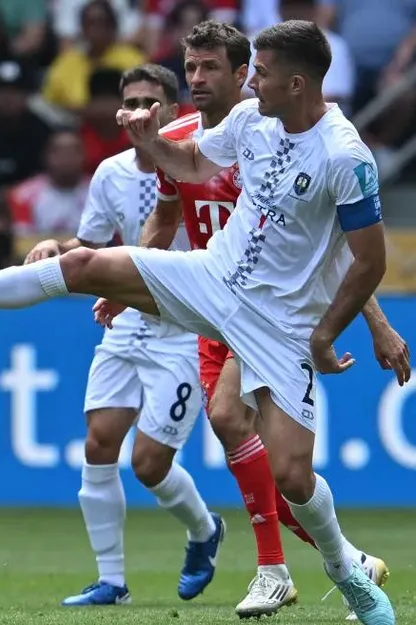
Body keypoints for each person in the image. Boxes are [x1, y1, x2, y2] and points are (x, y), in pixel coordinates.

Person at [0, 20, 409, 625]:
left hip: (282, 322)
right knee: (81, 264)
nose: (249, 82)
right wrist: (150, 139)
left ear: (296, 82)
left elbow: (369, 259)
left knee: (293, 475)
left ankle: (347, 573)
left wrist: (324, 333)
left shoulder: (345, 155)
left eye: (258, 73)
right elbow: (186, 164)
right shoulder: (251, 120)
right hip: (211, 275)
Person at [143, 20, 400, 620]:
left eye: (214, 68)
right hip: (209, 302)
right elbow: (162, 218)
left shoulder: (279, 140)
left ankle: (274, 568)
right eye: (192, 66)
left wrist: (375, 321)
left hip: (267, 312)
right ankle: (348, 562)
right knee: (255, 449)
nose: (197, 78)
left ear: (245, 76)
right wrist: (131, 279)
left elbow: (326, 251)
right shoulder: (186, 140)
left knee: (234, 419)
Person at [25, 64, 223, 608]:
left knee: (150, 464)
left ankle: (205, 530)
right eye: (130, 100)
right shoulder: (109, 173)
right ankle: (111, 581)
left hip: (183, 325)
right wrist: (55, 247)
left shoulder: (201, 158)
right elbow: (91, 242)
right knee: (98, 445)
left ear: (171, 109)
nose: (138, 109)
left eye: (150, 101)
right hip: (127, 318)